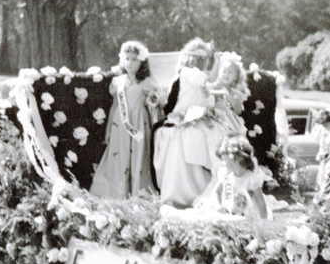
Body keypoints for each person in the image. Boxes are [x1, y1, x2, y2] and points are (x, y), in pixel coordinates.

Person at [153, 38, 230, 208]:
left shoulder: (196, 78)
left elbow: (207, 94)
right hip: (183, 117)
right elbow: (208, 80)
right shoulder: (188, 74)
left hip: (197, 117)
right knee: (193, 134)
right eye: (199, 60)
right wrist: (216, 62)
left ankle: (216, 185)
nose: (201, 63)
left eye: (203, 60)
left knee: (215, 133)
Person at [91, 40, 162, 199]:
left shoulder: (147, 82)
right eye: (127, 58)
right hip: (120, 125)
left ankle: (139, 195)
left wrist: (153, 101)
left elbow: (155, 102)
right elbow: (115, 105)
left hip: (139, 124)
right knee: (119, 157)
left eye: (134, 59)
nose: (130, 63)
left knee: (138, 159)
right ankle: (118, 195)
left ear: (141, 61)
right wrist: (109, 128)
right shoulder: (118, 81)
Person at [195, 134, 269, 219]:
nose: (222, 163)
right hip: (228, 208)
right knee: (205, 209)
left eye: (224, 160)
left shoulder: (252, 179)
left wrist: (264, 219)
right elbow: (216, 192)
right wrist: (218, 206)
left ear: (237, 160)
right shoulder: (227, 175)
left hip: (245, 211)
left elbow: (261, 202)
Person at [209, 51, 249, 136]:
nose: (226, 75)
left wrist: (228, 96)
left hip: (231, 120)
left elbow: (238, 111)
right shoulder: (216, 87)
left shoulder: (237, 91)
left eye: (230, 72)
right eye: (224, 71)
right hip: (216, 119)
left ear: (236, 76)